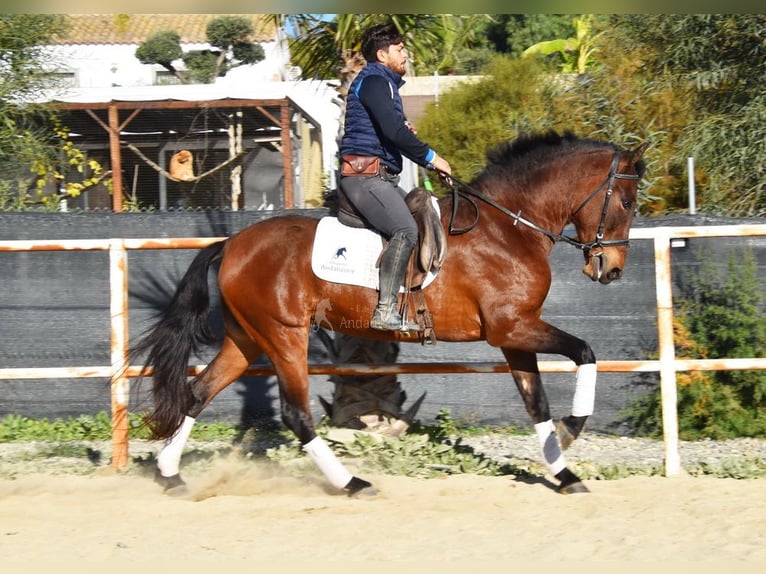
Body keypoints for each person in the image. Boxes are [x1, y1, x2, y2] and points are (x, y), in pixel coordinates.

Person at [339, 22, 452, 332]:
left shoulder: (384, 85)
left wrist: (401, 134)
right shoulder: (376, 80)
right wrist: (433, 158)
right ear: (382, 54)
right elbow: (393, 132)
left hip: (379, 176)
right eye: (400, 50)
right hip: (365, 178)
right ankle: (385, 311)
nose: (406, 54)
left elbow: (390, 131)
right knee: (405, 229)